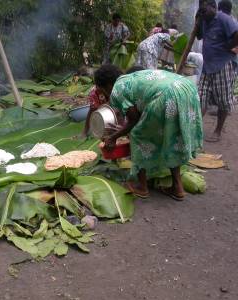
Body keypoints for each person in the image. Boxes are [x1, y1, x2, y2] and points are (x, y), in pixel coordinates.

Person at [100, 65, 203, 200]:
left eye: (102, 90)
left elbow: (134, 120)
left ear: (107, 85)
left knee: (138, 135)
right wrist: (122, 130)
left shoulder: (116, 89)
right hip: (187, 88)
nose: (105, 94)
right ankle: (177, 188)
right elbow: (139, 112)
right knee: (173, 136)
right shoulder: (133, 77)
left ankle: (142, 187)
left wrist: (113, 137)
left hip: (168, 95)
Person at [197, 0, 238, 142]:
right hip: (207, 66)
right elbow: (198, 36)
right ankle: (194, 129)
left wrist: (228, 47)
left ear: (214, 8)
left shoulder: (224, 19)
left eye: (205, 10)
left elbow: (236, 35)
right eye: (201, 10)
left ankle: (218, 131)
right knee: (200, 98)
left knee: (223, 100)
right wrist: (198, 19)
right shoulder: (203, 19)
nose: (203, 12)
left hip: (223, 65)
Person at [83, 65, 124, 137]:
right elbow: (92, 110)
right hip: (107, 116)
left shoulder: (122, 87)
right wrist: (85, 131)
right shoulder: (95, 93)